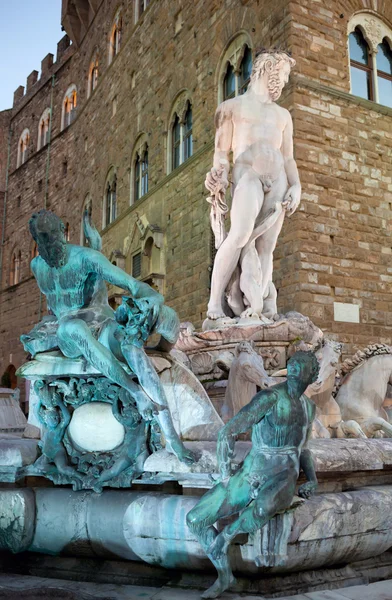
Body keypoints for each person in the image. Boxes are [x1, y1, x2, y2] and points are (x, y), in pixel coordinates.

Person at [23, 209, 194, 465]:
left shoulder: (86, 259)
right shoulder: (37, 267)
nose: (48, 245)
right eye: (42, 240)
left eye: (52, 237)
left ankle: (171, 435)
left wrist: (154, 300)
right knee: (71, 328)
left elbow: (134, 285)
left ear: (62, 232)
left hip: (101, 324)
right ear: (36, 241)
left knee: (140, 336)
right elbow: (55, 305)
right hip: (69, 333)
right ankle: (135, 392)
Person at [186, 351, 319, 599]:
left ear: (313, 375)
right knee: (195, 519)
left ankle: (226, 536)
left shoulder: (309, 408)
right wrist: (225, 474)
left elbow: (304, 450)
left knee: (261, 509)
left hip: (284, 473)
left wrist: (312, 479)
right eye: (291, 365)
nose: (293, 369)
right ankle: (225, 575)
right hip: (251, 472)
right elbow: (228, 432)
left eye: (300, 367)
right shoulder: (269, 398)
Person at [205, 49, 300, 322]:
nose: (284, 81)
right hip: (248, 176)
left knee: (266, 247)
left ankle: (259, 308)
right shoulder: (230, 108)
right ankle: (215, 304)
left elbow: (289, 158)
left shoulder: (283, 116)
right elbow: (221, 155)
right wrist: (218, 176)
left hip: (279, 181)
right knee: (240, 235)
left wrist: (296, 187)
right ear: (268, 69)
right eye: (283, 74)